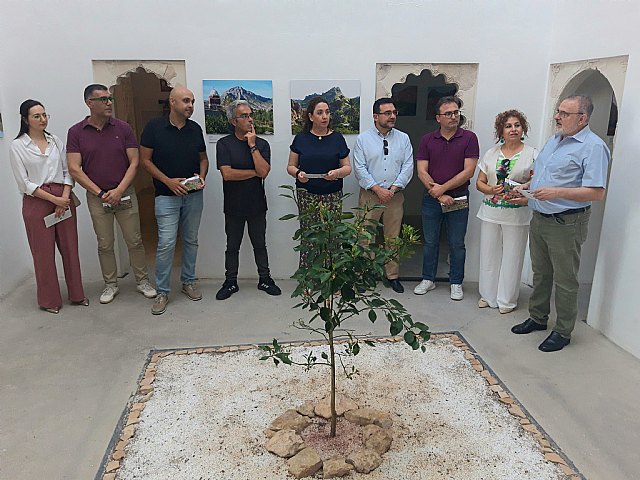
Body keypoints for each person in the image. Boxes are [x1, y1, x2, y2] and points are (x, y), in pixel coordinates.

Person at [511, 95, 610, 352]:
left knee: (565, 279)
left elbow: (596, 192)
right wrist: (526, 188)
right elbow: (543, 176)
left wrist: (556, 193)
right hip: (540, 217)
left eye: (564, 113)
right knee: (541, 273)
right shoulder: (555, 140)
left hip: (566, 222)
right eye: (558, 111)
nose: (557, 117)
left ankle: (563, 331)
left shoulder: (593, 147)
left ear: (582, 118)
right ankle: (537, 317)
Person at [67, 84, 156, 304]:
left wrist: (119, 190)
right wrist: (101, 193)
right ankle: (110, 284)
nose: (109, 103)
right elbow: (74, 169)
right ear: (89, 103)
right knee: (105, 243)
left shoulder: (123, 128)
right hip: (98, 198)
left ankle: (142, 281)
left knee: (134, 240)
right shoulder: (76, 132)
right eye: (103, 99)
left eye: (110, 99)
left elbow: (134, 162)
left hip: (125, 193)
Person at [9, 99, 87, 313]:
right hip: (37, 200)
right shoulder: (18, 146)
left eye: (44, 115)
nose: (42, 119)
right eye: (37, 116)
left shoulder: (55, 141)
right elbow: (24, 183)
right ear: (25, 120)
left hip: (63, 195)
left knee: (70, 249)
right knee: (42, 253)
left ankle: (77, 295)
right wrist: (55, 201)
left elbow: (67, 171)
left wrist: (64, 197)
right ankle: (49, 300)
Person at [140, 86, 209, 315]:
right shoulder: (154, 127)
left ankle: (188, 281)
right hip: (165, 196)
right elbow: (145, 161)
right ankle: (162, 291)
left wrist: (202, 176)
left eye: (192, 101)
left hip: (193, 196)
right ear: (172, 102)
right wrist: (168, 182)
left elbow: (203, 159)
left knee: (191, 240)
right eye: (186, 101)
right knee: (166, 243)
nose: (190, 105)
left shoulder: (195, 129)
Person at [414, 96, 479, 300]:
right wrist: (439, 194)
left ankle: (456, 282)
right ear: (438, 118)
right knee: (430, 241)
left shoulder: (469, 138)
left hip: (458, 198)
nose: (453, 116)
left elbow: (468, 171)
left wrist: (443, 189)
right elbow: (421, 171)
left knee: (456, 243)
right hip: (432, 198)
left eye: (456, 112)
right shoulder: (427, 140)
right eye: (448, 113)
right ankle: (428, 279)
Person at [215, 100, 281, 300]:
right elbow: (227, 174)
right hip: (233, 205)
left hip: (257, 205)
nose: (250, 119)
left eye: (250, 115)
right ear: (233, 121)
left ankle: (265, 279)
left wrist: (252, 146)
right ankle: (230, 282)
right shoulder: (224, 144)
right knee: (232, 247)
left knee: (260, 244)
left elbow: (264, 172)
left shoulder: (261, 144)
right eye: (244, 116)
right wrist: (254, 172)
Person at [476, 110, 537, 314]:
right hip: (490, 212)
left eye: (517, 125)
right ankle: (488, 295)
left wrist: (523, 189)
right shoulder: (491, 153)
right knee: (488, 254)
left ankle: (506, 300)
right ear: (501, 130)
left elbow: (537, 180)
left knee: (513, 257)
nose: (513, 129)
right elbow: (479, 182)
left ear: (523, 129)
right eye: (508, 126)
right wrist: (491, 189)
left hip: (517, 214)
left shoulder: (532, 154)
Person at [353, 97, 414, 293]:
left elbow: (408, 166)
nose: (392, 116)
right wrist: (378, 189)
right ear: (375, 116)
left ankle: (392, 276)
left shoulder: (403, 138)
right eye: (387, 113)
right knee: (365, 236)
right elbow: (360, 168)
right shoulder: (363, 139)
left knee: (392, 237)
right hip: (370, 195)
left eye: (394, 112)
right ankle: (363, 275)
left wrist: (393, 189)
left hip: (394, 196)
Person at [286, 96, 352, 269]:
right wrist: (298, 173)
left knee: (331, 235)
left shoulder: (337, 138)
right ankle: (308, 276)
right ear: (310, 116)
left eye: (327, 112)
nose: (325, 116)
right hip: (307, 196)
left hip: (332, 194)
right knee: (309, 235)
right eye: (320, 112)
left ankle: (331, 276)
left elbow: (347, 168)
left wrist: (336, 173)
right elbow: (290, 166)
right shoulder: (301, 139)